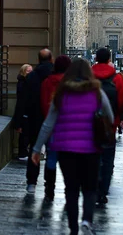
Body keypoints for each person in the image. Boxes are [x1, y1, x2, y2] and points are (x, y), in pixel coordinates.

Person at [32, 58, 114, 235]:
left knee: (71, 189)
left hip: (66, 148)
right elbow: (110, 116)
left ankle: (73, 228)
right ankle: (86, 220)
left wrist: (37, 148)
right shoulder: (97, 92)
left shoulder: (61, 93)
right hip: (91, 148)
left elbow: (48, 124)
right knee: (90, 188)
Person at [91, 48, 123, 204]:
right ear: (109, 59)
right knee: (107, 160)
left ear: (95, 58)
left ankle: (92, 188)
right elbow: (122, 100)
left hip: (90, 125)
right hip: (109, 126)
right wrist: (120, 118)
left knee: (92, 159)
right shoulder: (117, 78)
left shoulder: (88, 75)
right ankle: (103, 192)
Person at [38, 54, 72, 200]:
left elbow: (43, 102)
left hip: (51, 126)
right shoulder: (71, 83)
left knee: (51, 159)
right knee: (69, 163)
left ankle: (49, 189)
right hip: (68, 128)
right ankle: (68, 189)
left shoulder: (47, 82)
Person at [22, 48, 54, 195]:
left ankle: (31, 182)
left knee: (34, 150)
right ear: (51, 59)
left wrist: (21, 120)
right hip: (52, 120)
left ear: (38, 59)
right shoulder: (56, 76)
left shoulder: (32, 76)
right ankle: (49, 184)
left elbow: (25, 101)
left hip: (35, 120)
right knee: (50, 153)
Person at [12, 63, 32, 160]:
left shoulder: (24, 82)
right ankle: (22, 152)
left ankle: (23, 152)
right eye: (28, 71)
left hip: (25, 110)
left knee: (26, 133)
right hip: (24, 111)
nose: (30, 73)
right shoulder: (23, 83)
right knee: (25, 133)